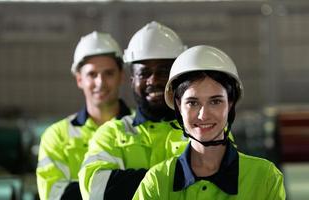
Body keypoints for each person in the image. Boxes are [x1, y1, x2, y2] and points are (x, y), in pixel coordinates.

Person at [133, 45, 286, 200]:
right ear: (179, 106)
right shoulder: (157, 181)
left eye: (215, 101)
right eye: (193, 103)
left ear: (230, 104)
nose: (203, 115)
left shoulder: (264, 177)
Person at [78, 21, 188, 200]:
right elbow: (95, 190)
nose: (154, 80)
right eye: (144, 73)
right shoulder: (110, 134)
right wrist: (182, 178)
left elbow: (218, 186)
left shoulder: (205, 128)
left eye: (164, 71)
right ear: (132, 80)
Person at [36, 31, 131, 200]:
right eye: (92, 74)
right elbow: (55, 196)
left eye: (108, 73)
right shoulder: (57, 137)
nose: (100, 82)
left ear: (121, 76)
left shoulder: (143, 127)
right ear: (79, 79)